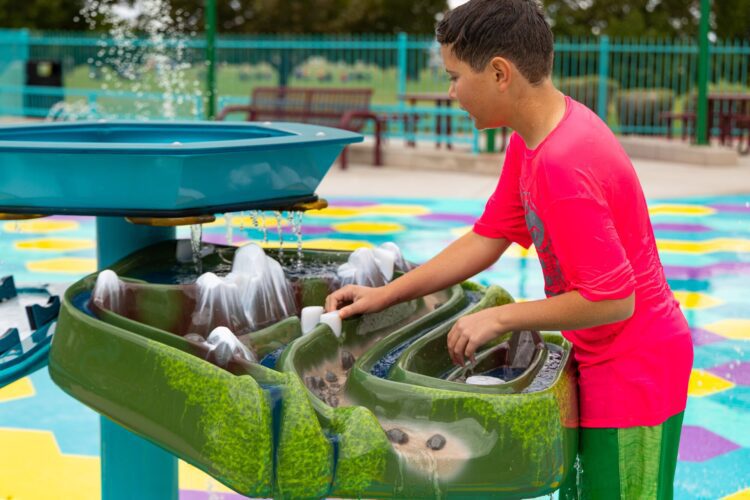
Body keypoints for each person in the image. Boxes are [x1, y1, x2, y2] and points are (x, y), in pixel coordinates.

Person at [324, 0, 693, 498]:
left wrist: (501, 318)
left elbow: (613, 299)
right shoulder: (534, 139)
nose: (451, 92)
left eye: (455, 77)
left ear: (500, 73)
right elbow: (487, 236)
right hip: (601, 353)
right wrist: (385, 295)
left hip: (635, 369)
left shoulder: (564, 165)